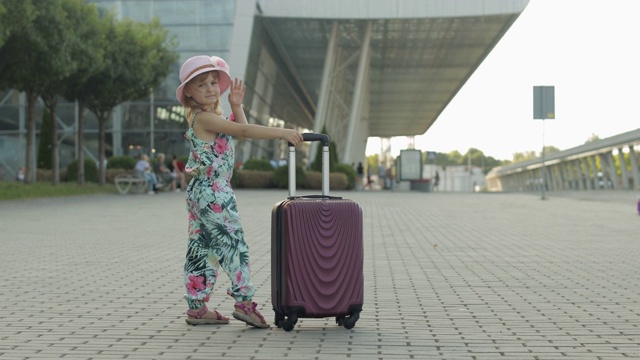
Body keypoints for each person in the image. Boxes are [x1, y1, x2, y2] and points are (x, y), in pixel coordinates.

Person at [176, 55, 303, 328]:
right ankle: (244, 303)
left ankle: (197, 307)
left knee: (203, 248)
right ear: (188, 92)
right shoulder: (205, 118)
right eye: (201, 85)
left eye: (213, 82)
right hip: (213, 192)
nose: (210, 88)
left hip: (202, 191)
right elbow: (244, 129)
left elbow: (241, 133)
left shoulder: (211, 118)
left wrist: (236, 105)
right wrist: (281, 133)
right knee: (233, 246)